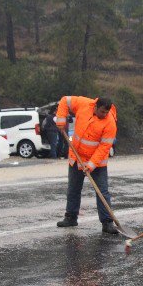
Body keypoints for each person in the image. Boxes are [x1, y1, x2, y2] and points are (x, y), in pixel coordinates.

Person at [55, 96, 118, 234]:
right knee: (73, 188)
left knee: (102, 191)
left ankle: (107, 222)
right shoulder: (84, 105)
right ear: (95, 107)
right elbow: (65, 100)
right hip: (76, 156)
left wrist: (90, 165)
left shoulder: (110, 123)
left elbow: (104, 147)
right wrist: (61, 119)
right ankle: (71, 217)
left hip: (97, 163)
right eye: (102, 112)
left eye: (106, 113)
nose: (104, 115)